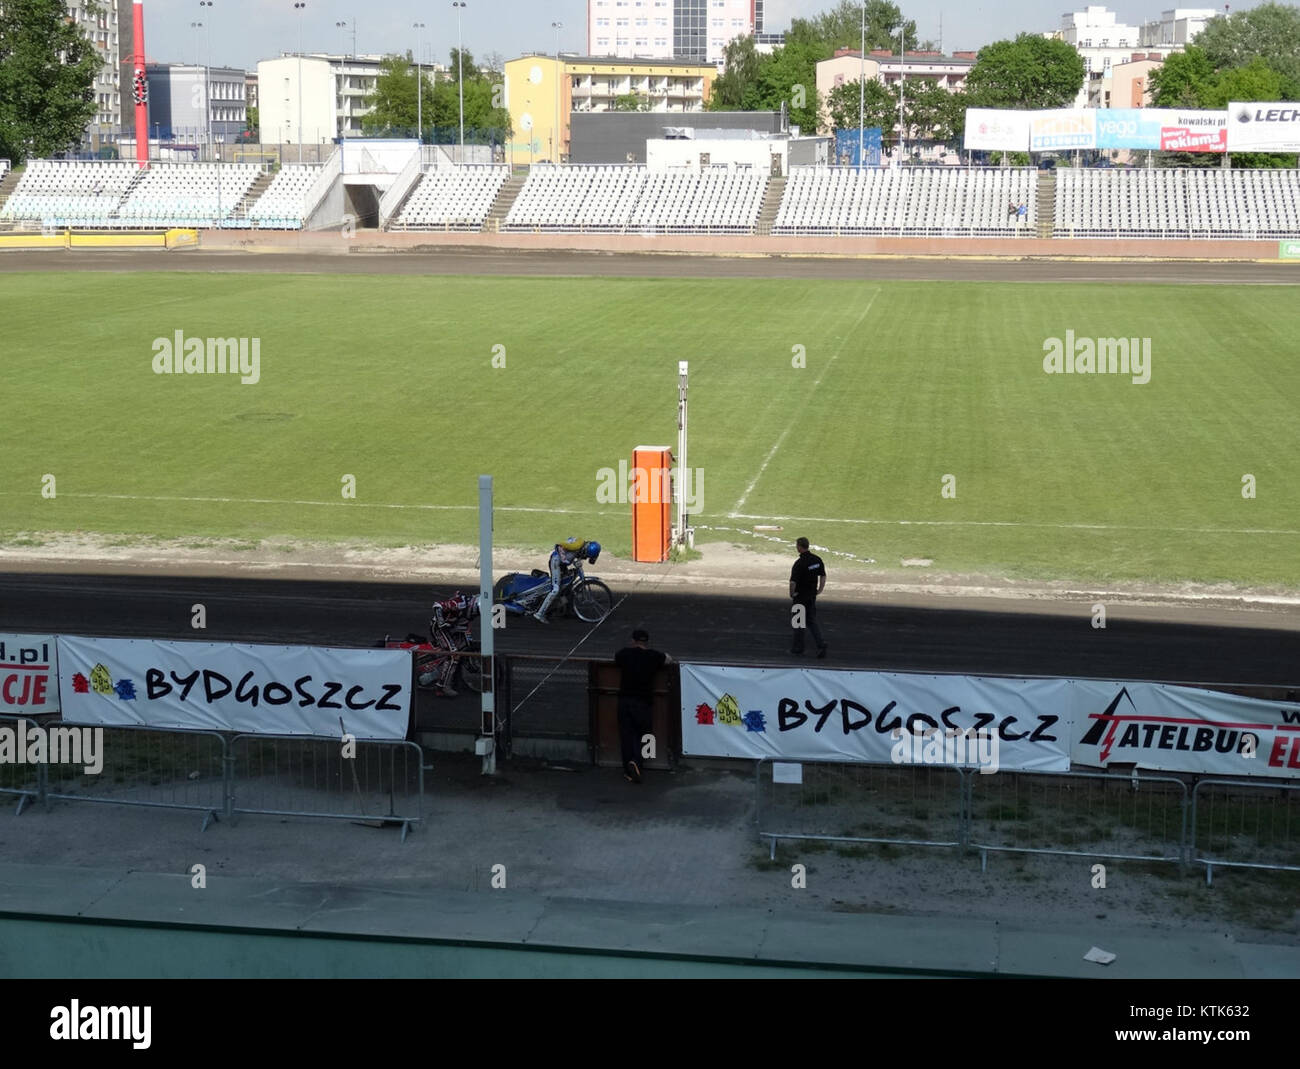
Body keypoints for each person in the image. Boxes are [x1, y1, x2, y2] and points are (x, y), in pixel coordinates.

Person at [613, 629, 670, 783]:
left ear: (633, 641)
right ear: (647, 642)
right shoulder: (654, 656)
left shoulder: (624, 654)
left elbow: (616, 658)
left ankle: (628, 769)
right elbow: (668, 659)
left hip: (625, 701)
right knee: (646, 734)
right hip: (644, 702)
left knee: (626, 735)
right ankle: (640, 762)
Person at [420, 590, 478, 696]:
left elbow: (465, 622)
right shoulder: (460, 603)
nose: (477, 613)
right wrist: (441, 622)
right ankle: (442, 686)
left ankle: (449, 676)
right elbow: (437, 605)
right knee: (453, 654)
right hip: (440, 628)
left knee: (462, 647)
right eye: (477, 611)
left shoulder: (474, 606)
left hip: (454, 627)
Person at [533, 537, 601, 623]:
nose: (587, 557)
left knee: (568, 585)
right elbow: (559, 545)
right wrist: (565, 559)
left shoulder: (582, 546)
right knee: (555, 589)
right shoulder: (577, 545)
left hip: (561, 564)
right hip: (556, 562)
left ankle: (566, 609)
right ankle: (539, 613)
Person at [789, 536, 827, 658]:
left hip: (800, 597)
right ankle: (821, 644)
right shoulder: (817, 560)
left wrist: (792, 593)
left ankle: (798, 648)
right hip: (811, 596)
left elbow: (793, 582)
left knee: (798, 623)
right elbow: (823, 576)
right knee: (812, 621)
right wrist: (820, 589)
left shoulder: (799, 563)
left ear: (800, 547)